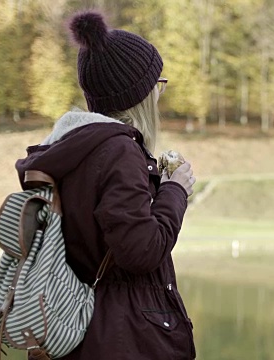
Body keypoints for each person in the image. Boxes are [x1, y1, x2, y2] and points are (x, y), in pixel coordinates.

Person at [15, 11, 196, 360]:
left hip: (74, 330)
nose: (160, 92)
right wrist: (175, 190)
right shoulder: (119, 152)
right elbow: (140, 251)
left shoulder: (70, 148)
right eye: (158, 83)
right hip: (121, 336)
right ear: (139, 93)